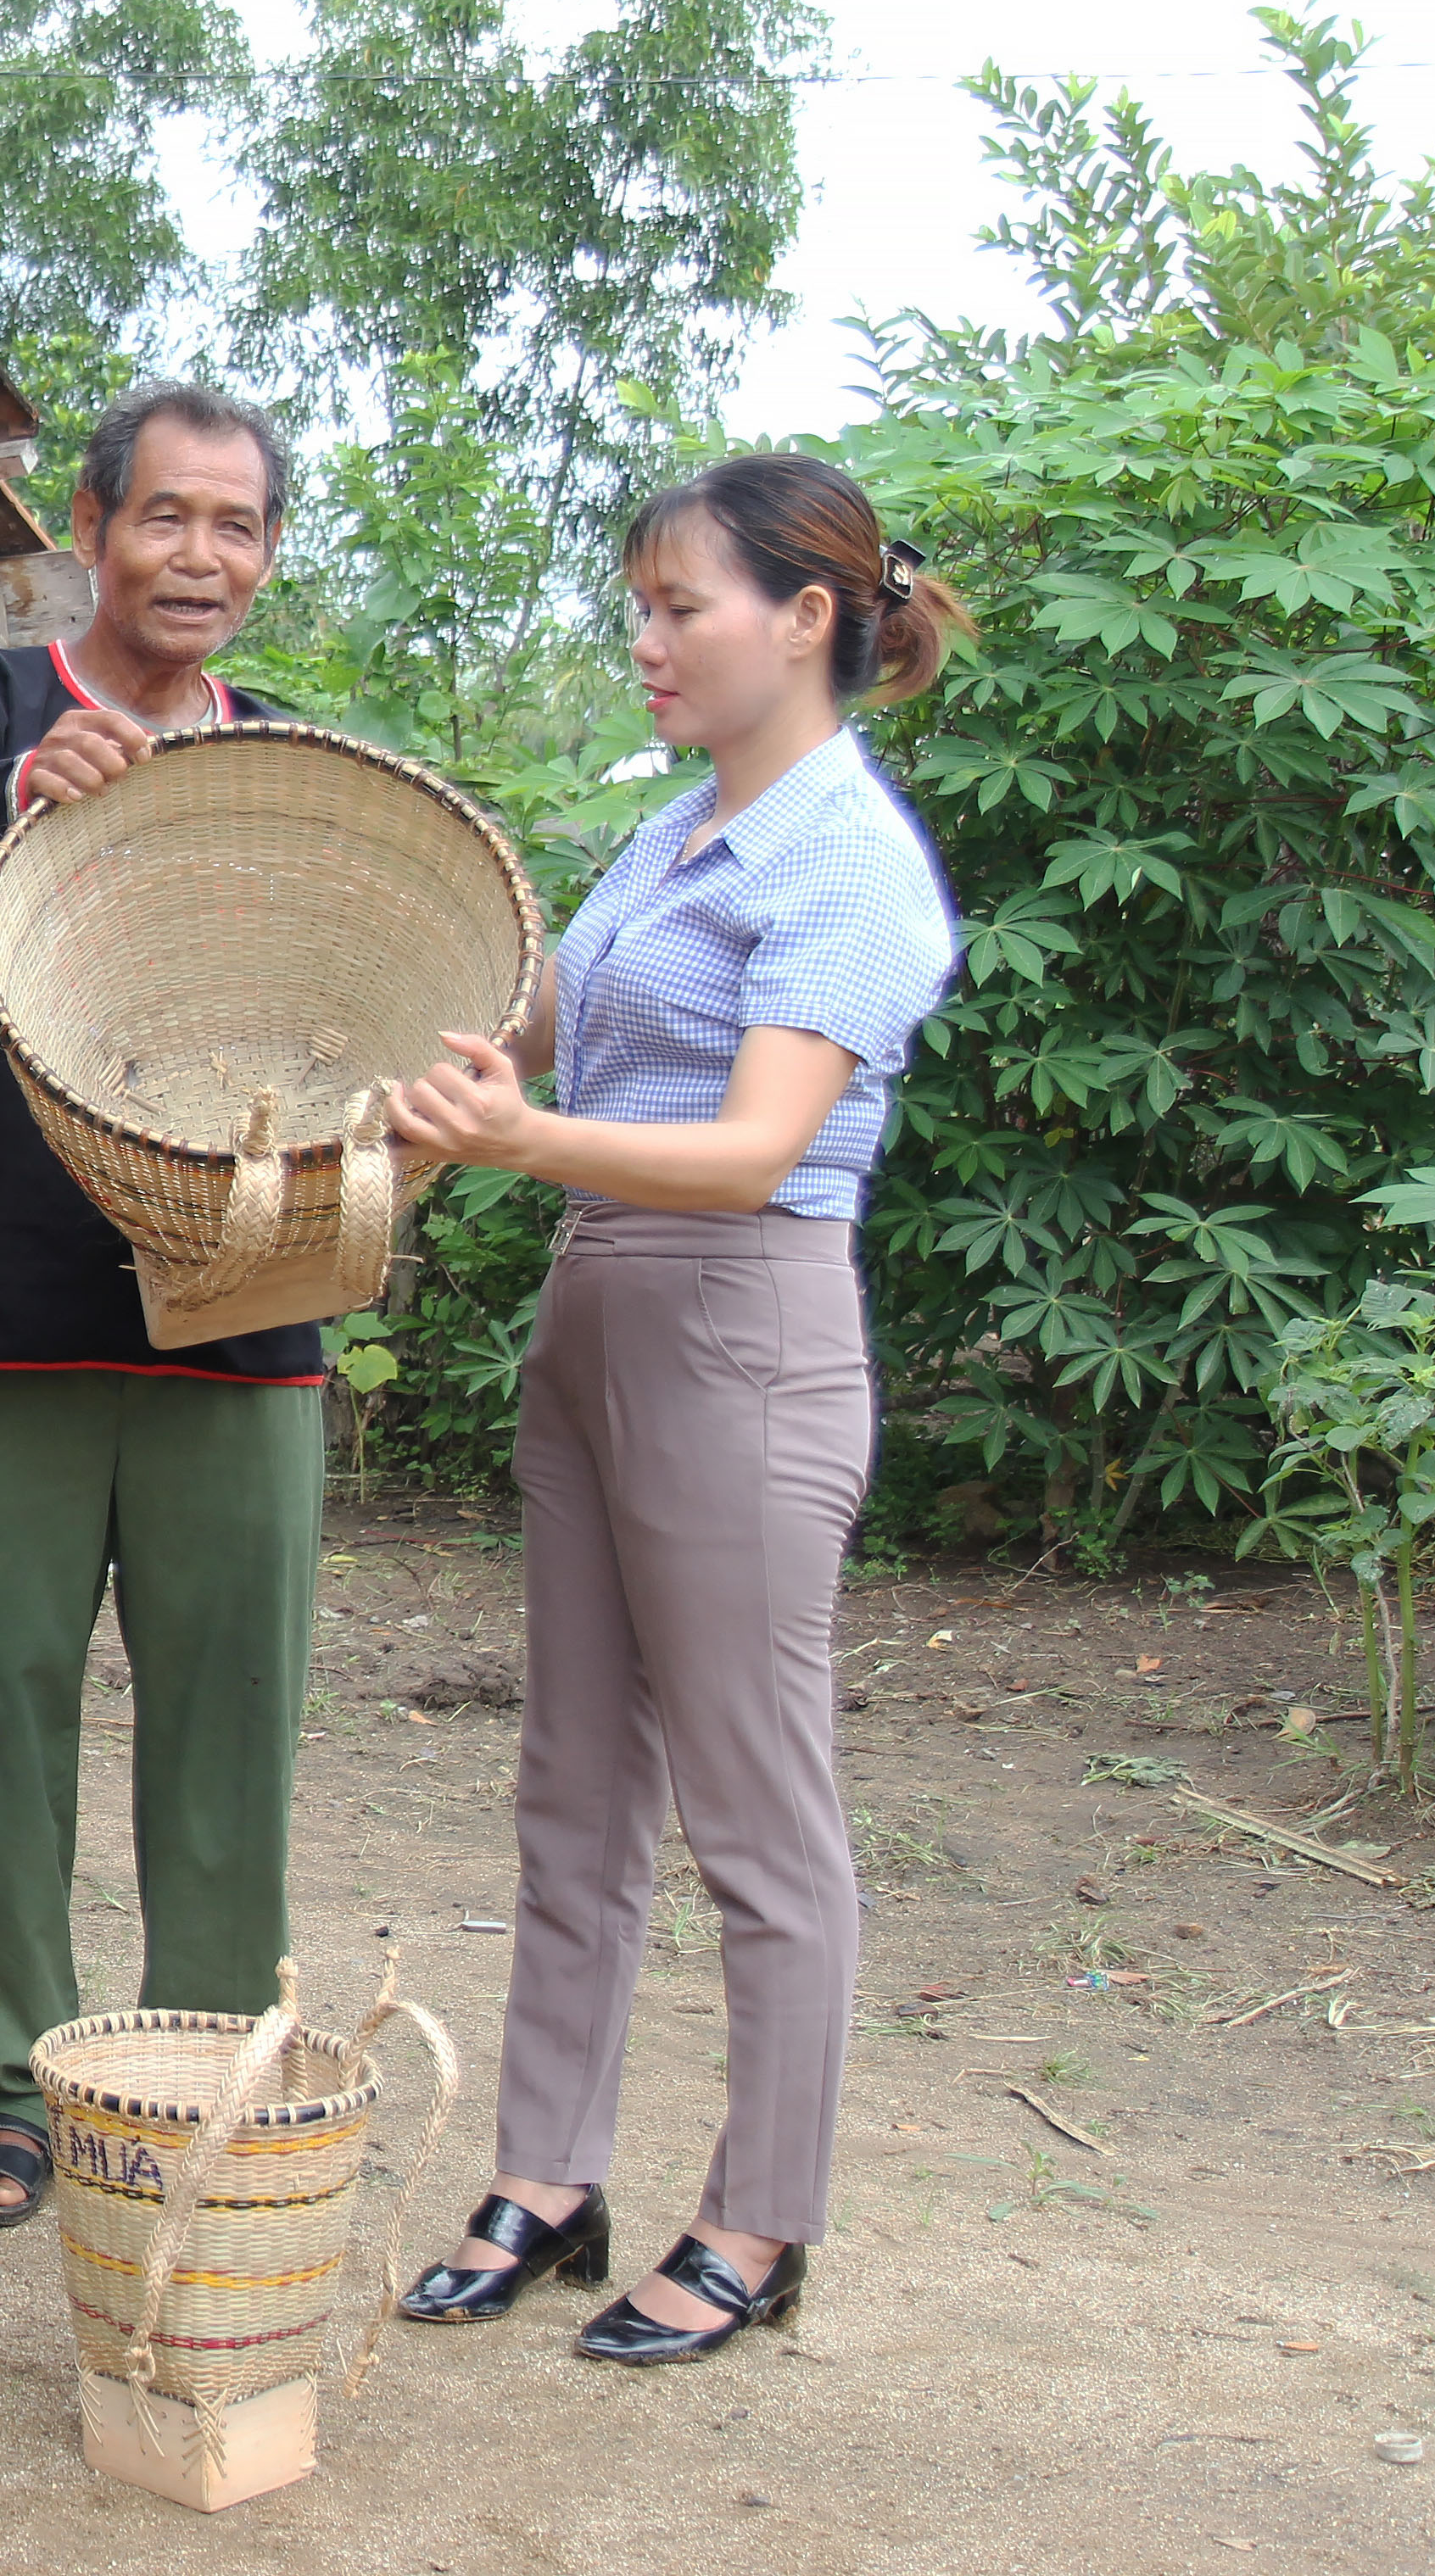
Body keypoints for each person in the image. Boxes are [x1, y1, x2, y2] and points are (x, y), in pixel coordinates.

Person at [382, 452, 965, 2362]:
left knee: (755, 1807)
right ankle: (548, 2175)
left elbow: (758, 1147)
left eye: (678, 606)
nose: (645, 639)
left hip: (741, 1321)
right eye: (637, 606)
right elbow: (535, 1020)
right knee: (575, 1782)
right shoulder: (676, 832)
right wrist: (412, 1033)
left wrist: (518, 1138)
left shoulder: (849, 857)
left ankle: (761, 2219)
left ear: (805, 618)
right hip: (598, 1316)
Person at [0, 380, 332, 2225]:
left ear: (266, 555)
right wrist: (9, 807)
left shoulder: (291, 767)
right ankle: (7, 2087)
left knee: (231, 1721)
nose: (202, 555)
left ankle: (207, 2078)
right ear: (89, 530)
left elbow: (355, 1003)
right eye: (167, 516)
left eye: (239, 524)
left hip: (241, 1314)